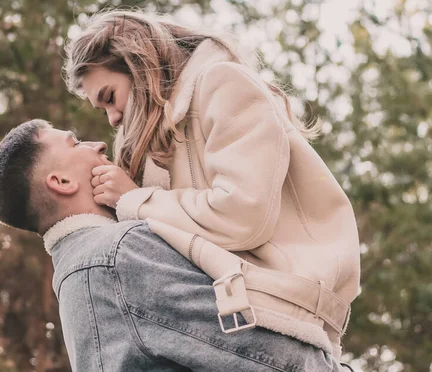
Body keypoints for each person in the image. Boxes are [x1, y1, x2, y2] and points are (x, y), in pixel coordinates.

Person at [64, 10, 360, 358]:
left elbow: (243, 215)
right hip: (222, 316)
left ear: (137, 64)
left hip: (279, 312)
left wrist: (135, 199)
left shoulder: (222, 83)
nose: (112, 118)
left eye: (110, 96)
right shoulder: (152, 142)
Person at [0, 119, 349, 371]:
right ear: (61, 181)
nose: (98, 143)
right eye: (75, 143)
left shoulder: (76, 275)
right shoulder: (119, 254)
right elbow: (276, 359)